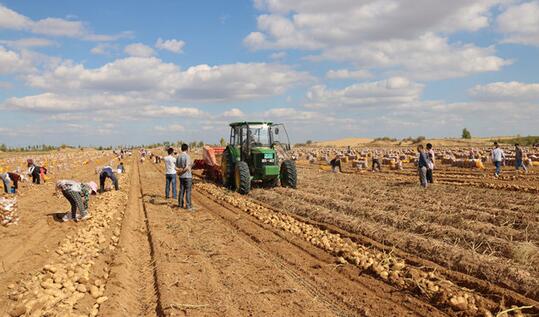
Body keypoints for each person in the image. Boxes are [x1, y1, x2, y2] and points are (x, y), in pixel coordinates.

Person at [176, 144, 194, 210]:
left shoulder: (178, 156)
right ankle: (188, 206)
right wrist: (183, 171)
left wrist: (179, 172)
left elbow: (176, 167)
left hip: (181, 177)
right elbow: (186, 167)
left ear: (181, 149)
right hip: (187, 176)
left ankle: (180, 204)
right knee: (188, 191)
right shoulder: (187, 156)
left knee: (181, 190)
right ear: (187, 149)